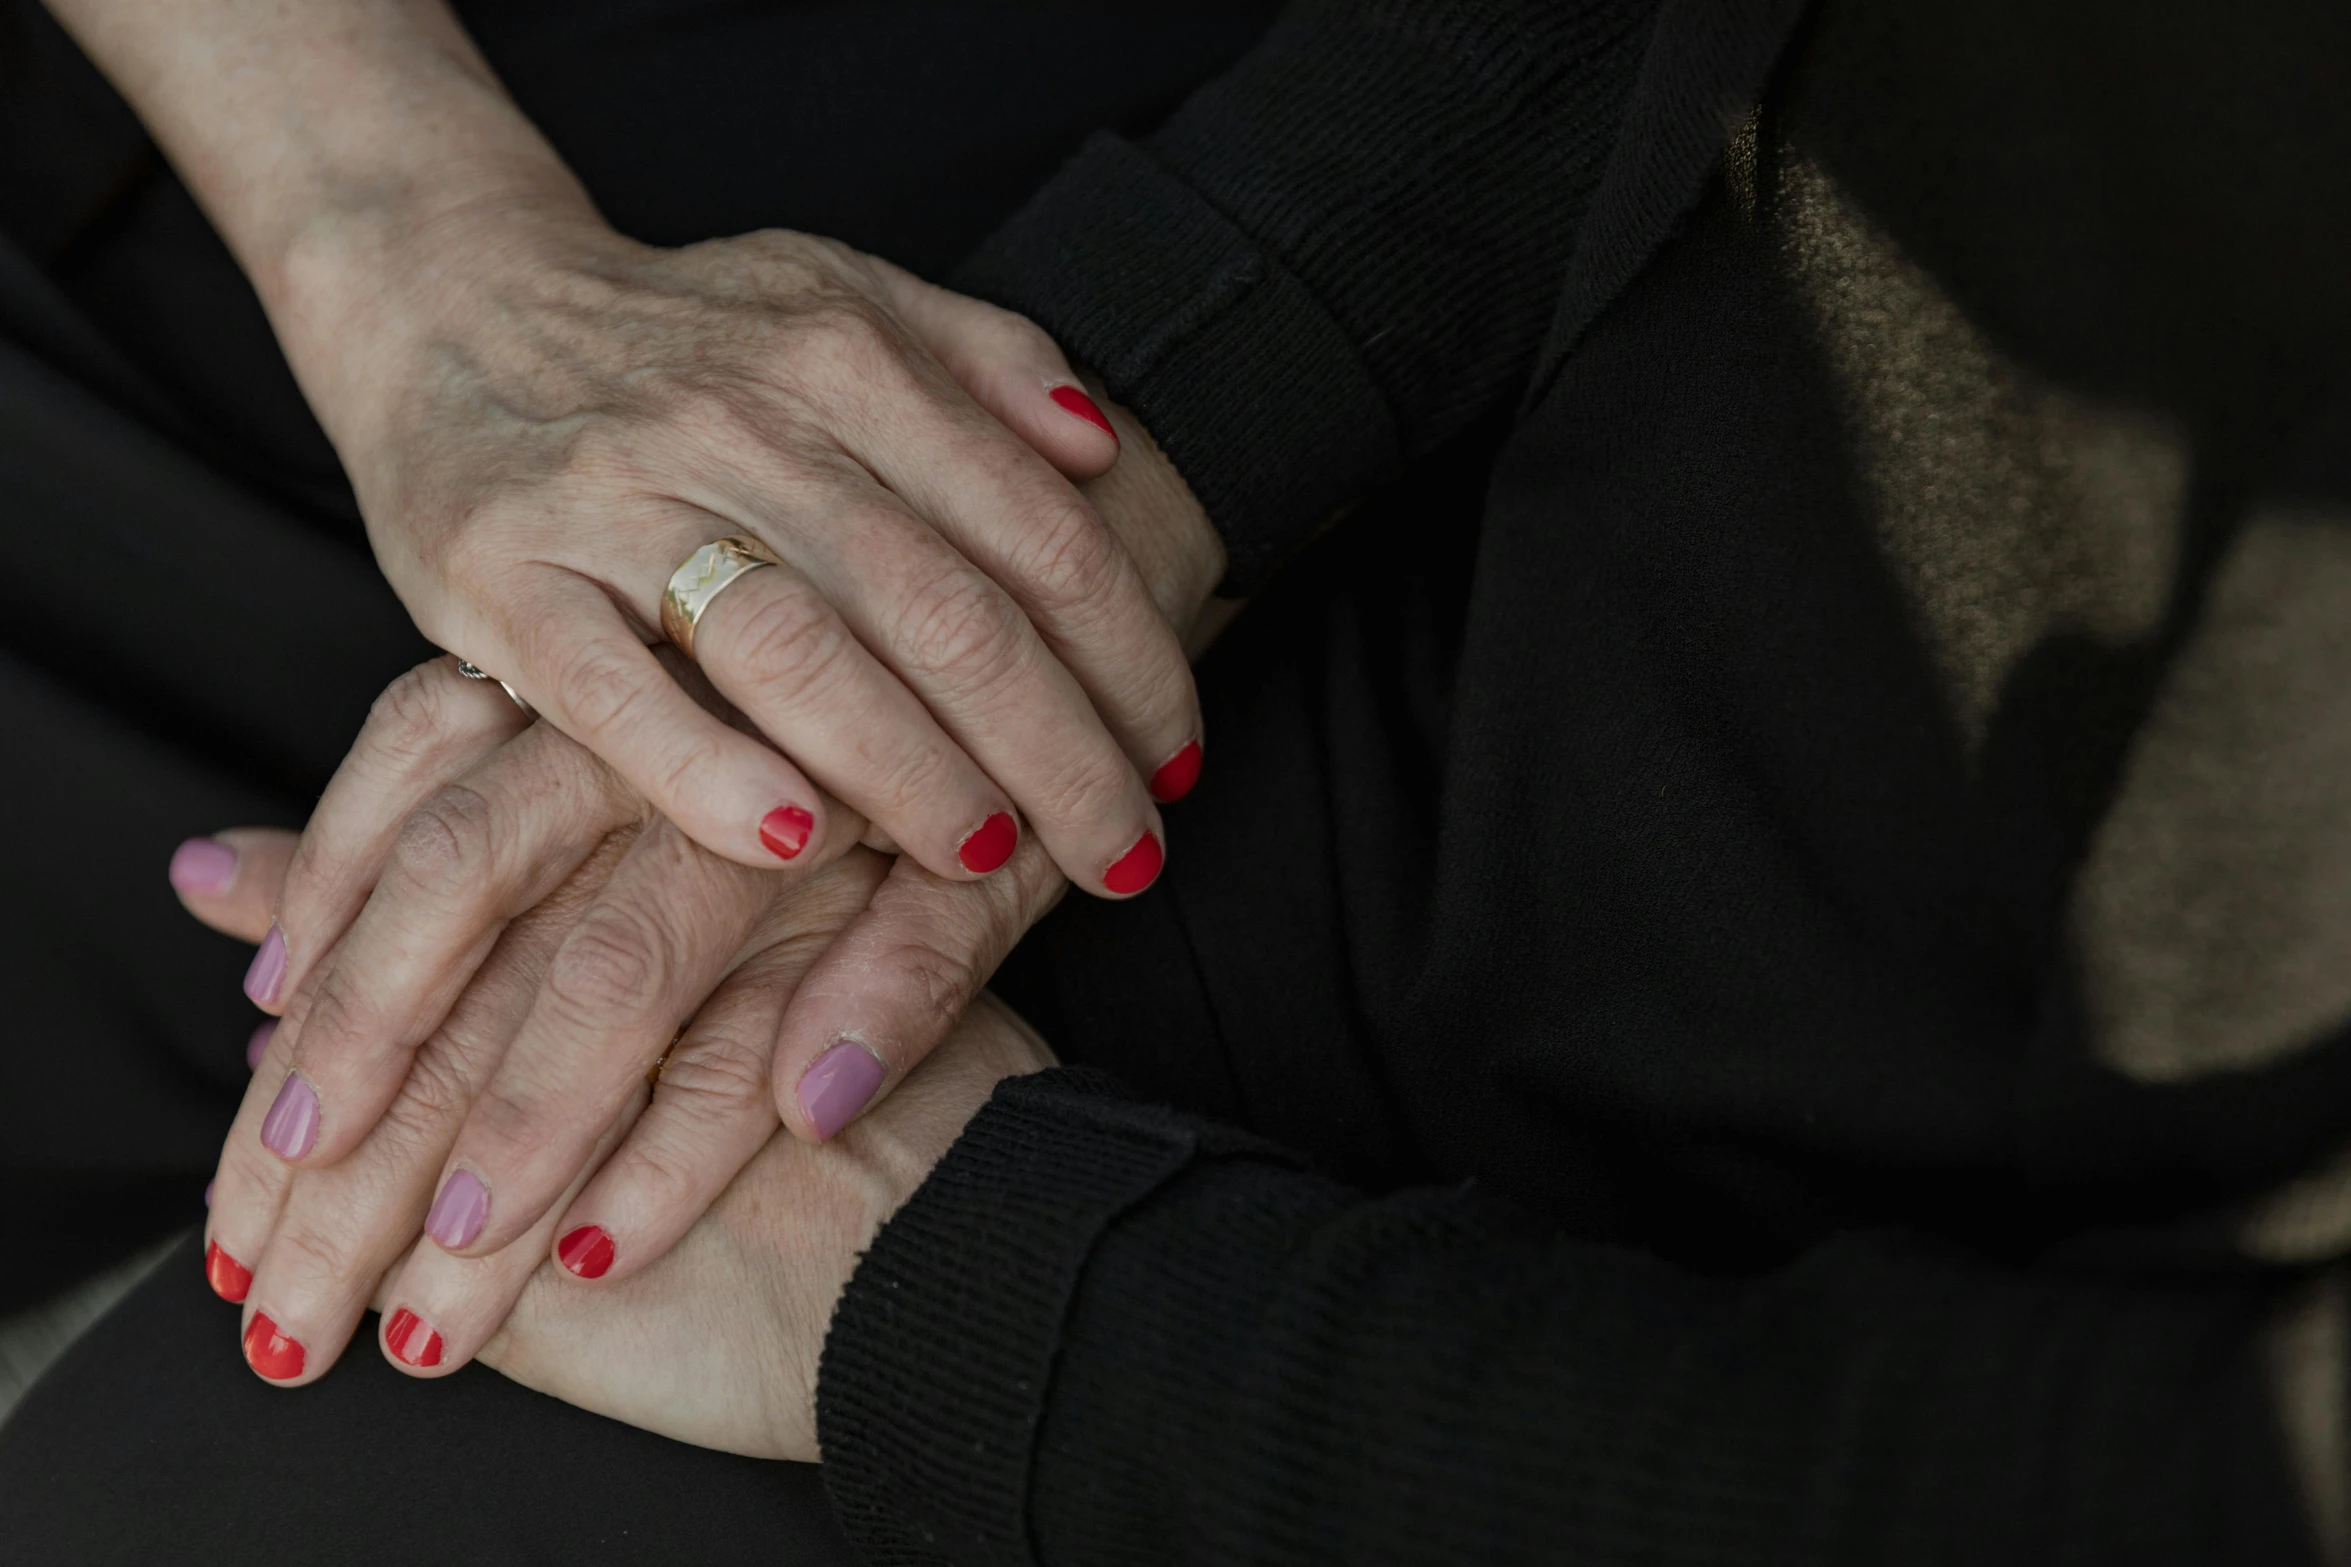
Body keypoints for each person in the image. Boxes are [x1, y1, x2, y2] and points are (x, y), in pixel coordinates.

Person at [14, 0, 2351, 1563]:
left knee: (223, 1460)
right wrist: (1072, 466)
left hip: (1586, 1380)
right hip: (1283, 448)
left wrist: (1026, 1304)